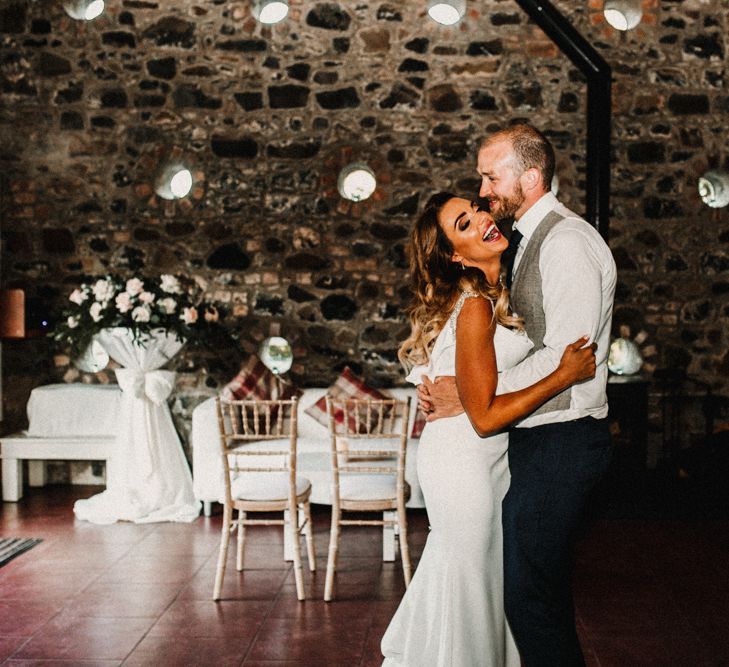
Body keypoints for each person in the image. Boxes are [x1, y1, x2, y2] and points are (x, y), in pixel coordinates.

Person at [419, 124, 617, 666]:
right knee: (523, 593)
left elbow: (569, 356)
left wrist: (469, 394)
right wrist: (469, 390)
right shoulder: (519, 247)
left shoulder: (567, 242)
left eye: (490, 176)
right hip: (522, 442)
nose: (484, 191)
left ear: (530, 177)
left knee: (529, 596)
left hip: (562, 439)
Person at [380, 191, 598, 666]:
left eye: (476, 209)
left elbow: (469, 381)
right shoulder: (476, 302)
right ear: (456, 255)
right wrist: (563, 375)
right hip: (464, 464)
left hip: (478, 458)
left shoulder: (495, 289)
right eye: (464, 223)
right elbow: (485, 416)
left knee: (467, 577)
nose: (481, 218)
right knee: (472, 584)